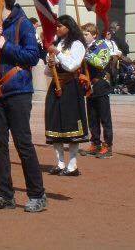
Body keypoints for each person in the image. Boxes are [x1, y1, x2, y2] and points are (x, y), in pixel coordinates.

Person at [0, 0, 46, 213]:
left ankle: (37, 194)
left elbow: (33, 56)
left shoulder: (23, 24)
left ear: (3, 0)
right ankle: (4, 193)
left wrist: (6, 45)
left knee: (23, 143)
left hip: (17, 91)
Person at [44, 16, 89, 177]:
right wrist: (50, 64)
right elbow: (47, 71)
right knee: (54, 123)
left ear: (68, 27)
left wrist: (58, 54)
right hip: (55, 86)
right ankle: (59, 162)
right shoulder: (57, 43)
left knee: (71, 126)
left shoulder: (77, 44)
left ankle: (72, 165)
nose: (57, 29)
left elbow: (72, 65)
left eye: (60, 26)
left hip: (71, 87)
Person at [80, 23, 114, 158]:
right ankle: (95, 143)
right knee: (92, 116)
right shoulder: (83, 47)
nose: (84, 37)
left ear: (94, 35)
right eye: (82, 34)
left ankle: (108, 145)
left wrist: (87, 55)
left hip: (100, 83)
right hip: (88, 85)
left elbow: (102, 62)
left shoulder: (102, 46)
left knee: (104, 117)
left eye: (86, 34)